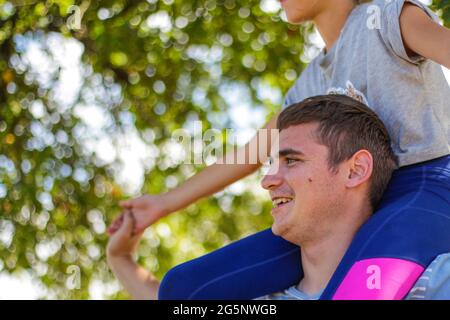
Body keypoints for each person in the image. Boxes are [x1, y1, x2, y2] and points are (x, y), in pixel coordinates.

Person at [108, 0, 450, 299]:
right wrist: (163, 204)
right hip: (350, 203)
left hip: (426, 186)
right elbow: (248, 155)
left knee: (357, 291)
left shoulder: (386, 19)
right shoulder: (307, 85)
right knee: (183, 289)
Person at [106, 95, 450, 300]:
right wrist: (120, 257)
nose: (268, 181)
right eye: (272, 164)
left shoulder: (435, 282)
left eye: (292, 161)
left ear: (355, 170)